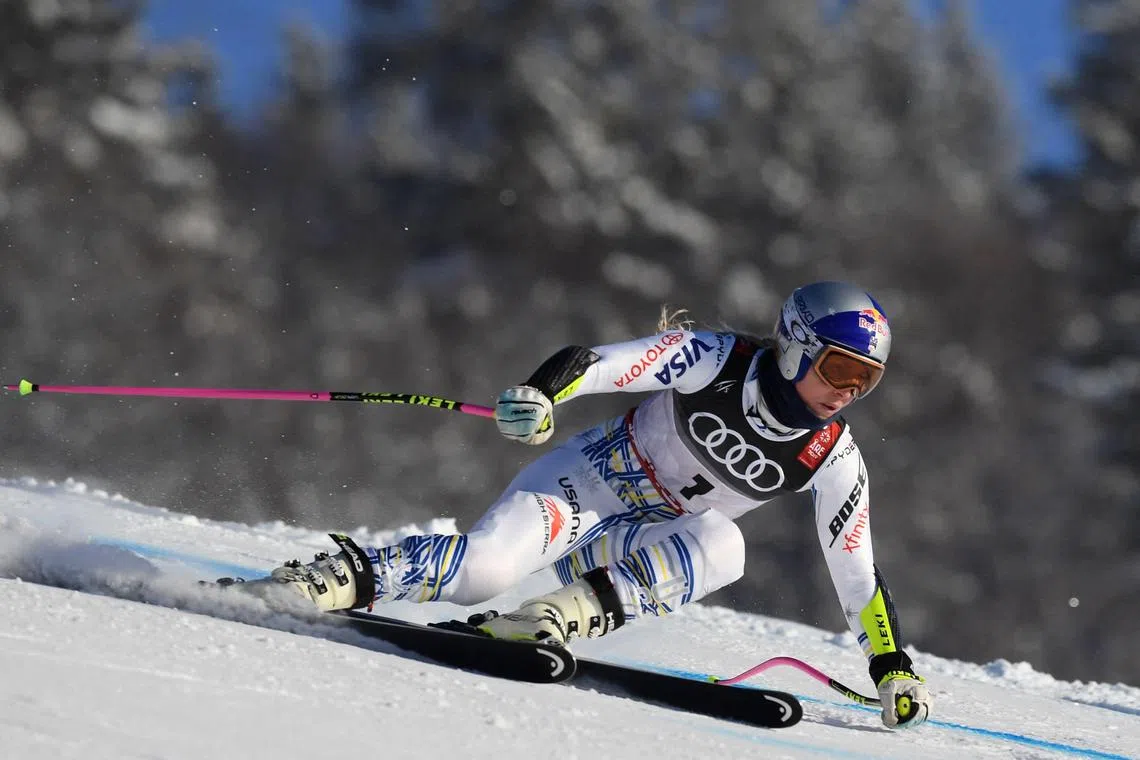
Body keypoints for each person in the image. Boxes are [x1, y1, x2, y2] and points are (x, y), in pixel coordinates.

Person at [269, 280, 931, 729]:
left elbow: (857, 574)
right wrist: (541, 394)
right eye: (840, 369)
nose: (847, 392)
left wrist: (891, 669)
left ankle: (548, 620)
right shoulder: (717, 359)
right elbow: (602, 363)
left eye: (865, 380)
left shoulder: (834, 458)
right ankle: (336, 579)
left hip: (635, 547)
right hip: (589, 486)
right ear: (795, 344)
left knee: (726, 546)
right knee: (484, 571)